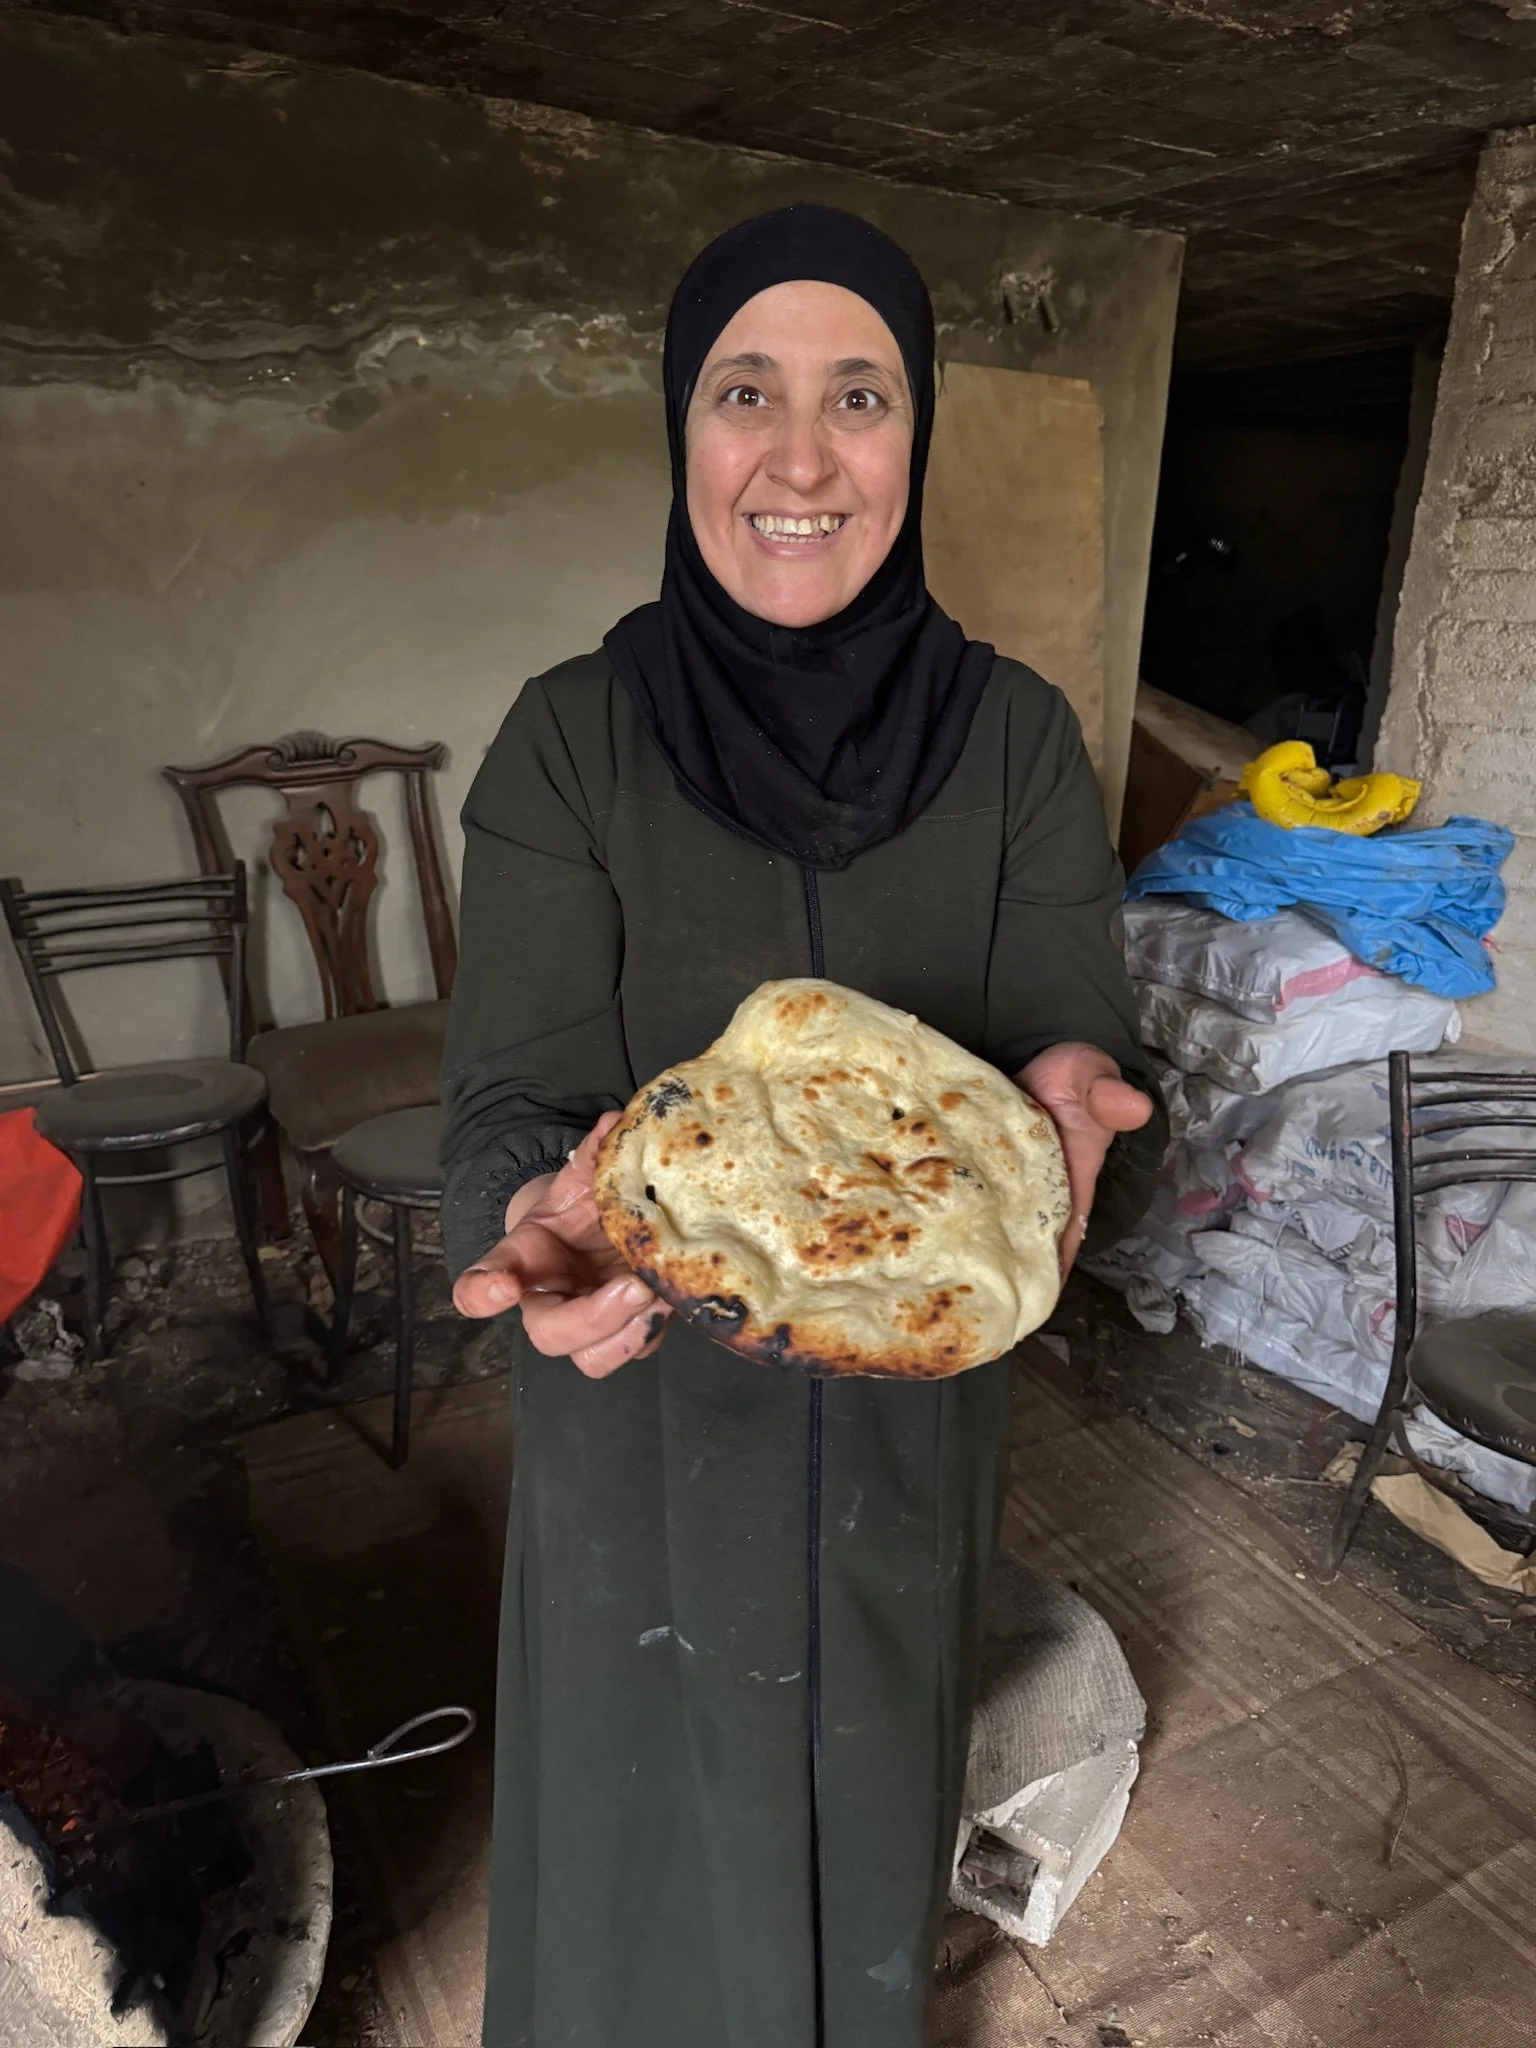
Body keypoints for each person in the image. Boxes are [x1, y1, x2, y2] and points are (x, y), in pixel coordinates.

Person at [441, 203, 1163, 2048]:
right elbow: (506, 1103)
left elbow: (1062, 1015)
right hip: (641, 1426)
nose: (800, 457)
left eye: (862, 397)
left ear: (914, 446)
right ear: (681, 427)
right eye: (744, 393)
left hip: (913, 1421)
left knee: (860, 1813)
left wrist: (1078, 1083)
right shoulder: (570, 741)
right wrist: (526, 1210)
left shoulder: (1009, 741)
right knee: (637, 1843)